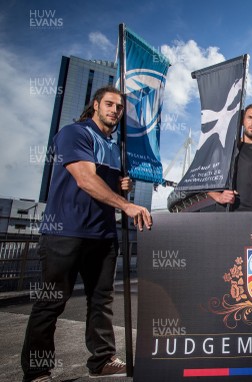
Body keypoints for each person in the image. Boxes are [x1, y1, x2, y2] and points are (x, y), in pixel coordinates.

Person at [21, 86, 152, 382]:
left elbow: (105, 183)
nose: (114, 110)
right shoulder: (75, 133)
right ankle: (37, 371)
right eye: (109, 104)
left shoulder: (116, 147)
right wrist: (126, 204)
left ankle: (103, 360)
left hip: (103, 235)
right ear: (95, 105)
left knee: (101, 301)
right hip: (66, 231)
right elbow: (85, 179)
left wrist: (122, 186)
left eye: (119, 107)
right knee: (51, 302)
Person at [207, 103, 252, 211]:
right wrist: (218, 196)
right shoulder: (226, 148)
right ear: (242, 121)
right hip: (226, 214)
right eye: (250, 117)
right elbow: (205, 178)